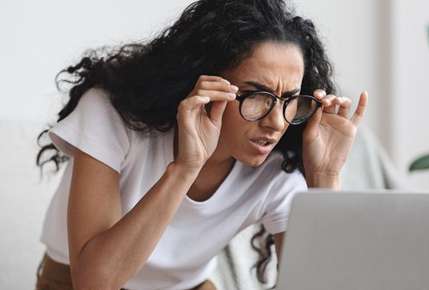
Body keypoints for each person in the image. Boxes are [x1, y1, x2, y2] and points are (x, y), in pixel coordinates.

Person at [35, 0, 368, 289]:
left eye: (290, 99)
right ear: (205, 83)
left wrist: (325, 179)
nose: (276, 122)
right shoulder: (111, 114)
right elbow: (95, 283)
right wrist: (185, 167)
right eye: (255, 96)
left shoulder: (280, 161)